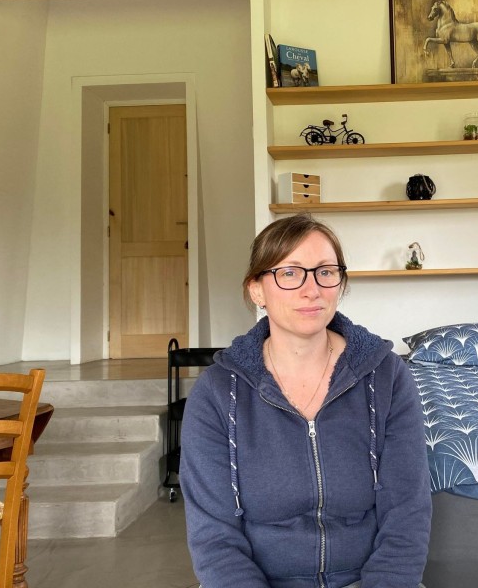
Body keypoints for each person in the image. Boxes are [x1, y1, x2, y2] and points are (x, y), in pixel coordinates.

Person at [181, 213, 432, 588]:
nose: (311, 289)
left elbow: (407, 514)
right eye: (290, 272)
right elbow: (214, 541)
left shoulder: (387, 377)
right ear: (257, 290)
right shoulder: (217, 392)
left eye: (325, 272)